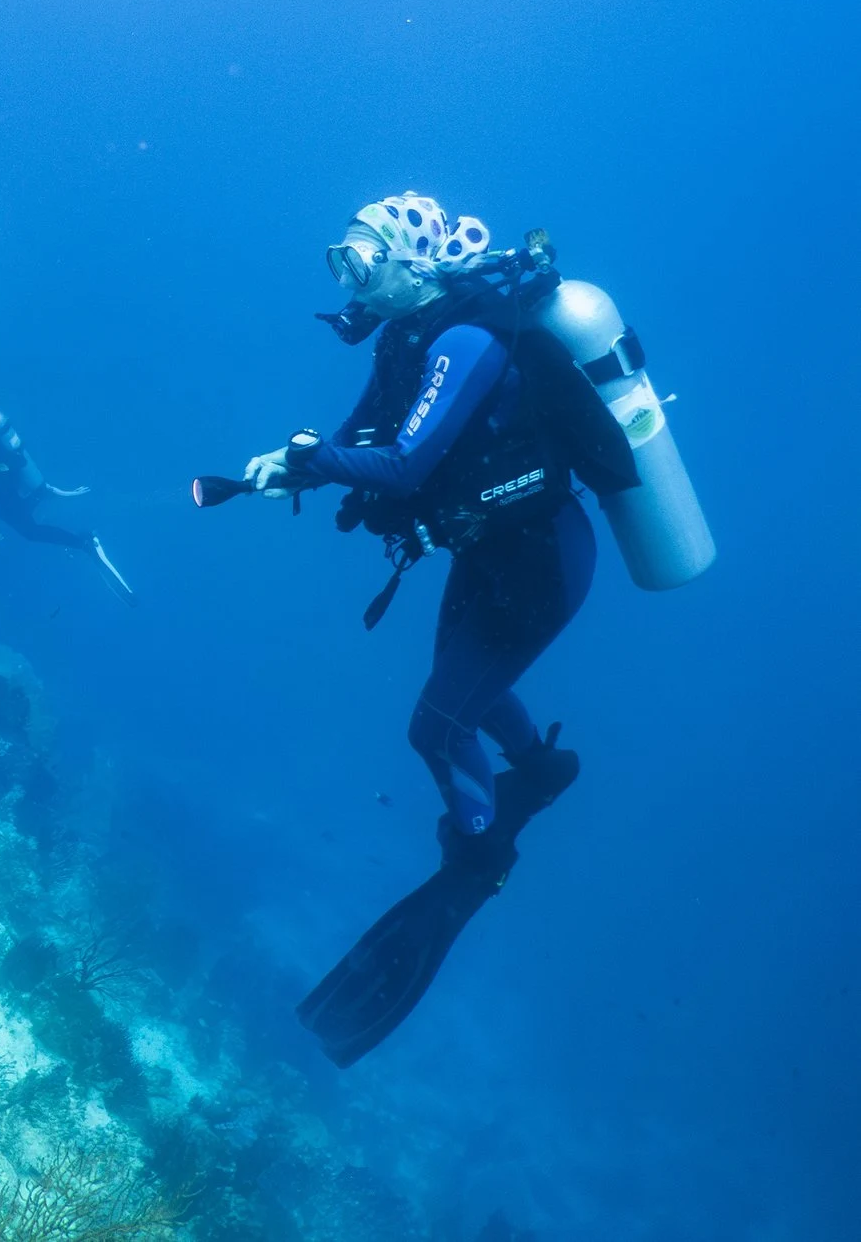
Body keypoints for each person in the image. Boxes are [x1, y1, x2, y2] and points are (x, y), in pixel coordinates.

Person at [240, 191, 638, 1066]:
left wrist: (319, 461)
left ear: (412, 261)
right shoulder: (402, 339)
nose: (348, 276)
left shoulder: (464, 340)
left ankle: (479, 852)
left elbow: (408, 460)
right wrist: (290, 466)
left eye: (362, 258)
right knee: (464, 689)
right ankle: (540, 767)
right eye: (339, 258)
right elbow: (360, 432)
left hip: (540, 564)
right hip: (486, 551)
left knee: (437, 722)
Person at [0, 387, 135, 601]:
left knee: (30, 531)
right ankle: (44, 498)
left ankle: (84, 542)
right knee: (28, 527)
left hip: (0, 485)